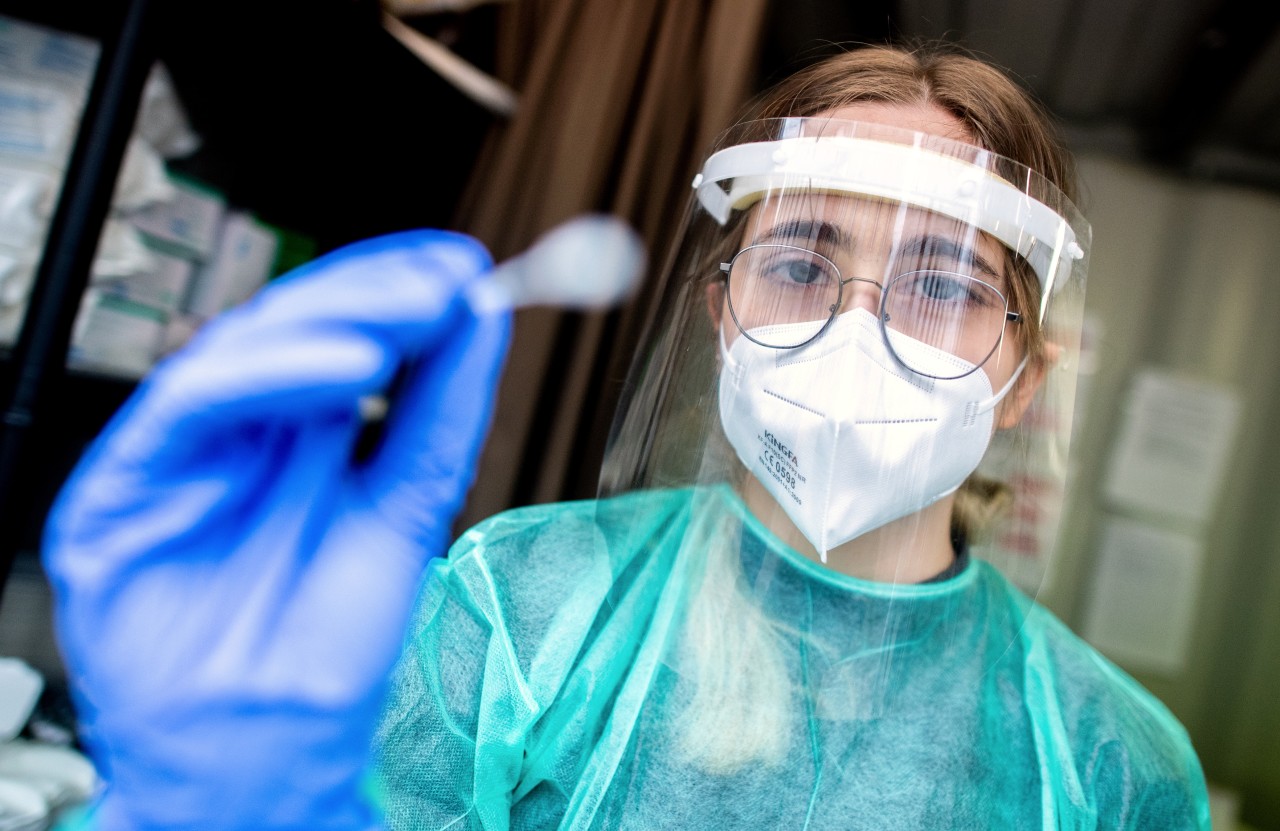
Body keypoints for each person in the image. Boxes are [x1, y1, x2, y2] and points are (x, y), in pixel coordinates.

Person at [41, 41, 1209, 831]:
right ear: (722, 310)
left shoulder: (1111, 762)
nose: (857, 333)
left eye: (938, 281)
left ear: (1021, 381)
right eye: (802, 263)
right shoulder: (525, 606)